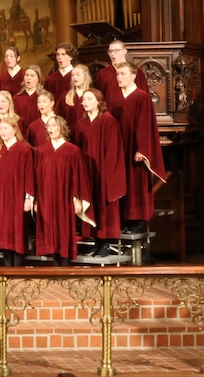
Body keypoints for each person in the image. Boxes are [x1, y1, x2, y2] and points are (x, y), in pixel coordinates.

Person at [111, 61, 166, 234]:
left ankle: (138, 219)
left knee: (136, 182)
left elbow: (145, 125)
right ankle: (125, 219)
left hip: (135, 147)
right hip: (120, 146)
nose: (119, 77)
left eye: (123, 74)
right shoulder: (115, 99)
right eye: (118, 74)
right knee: (122, 181)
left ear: (133, 76)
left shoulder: (142, 97)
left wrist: (142, 148)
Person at [34, 116, 93, 266]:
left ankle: (65, 265)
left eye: (54, 125)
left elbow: (78, 177)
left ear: (62, 128)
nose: (51, 128)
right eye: (48, 126)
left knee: (64, 228)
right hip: (46, 197)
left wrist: (77, 199)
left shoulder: (72, 151)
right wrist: (36, 200)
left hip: (65, 197)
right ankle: (55, 266)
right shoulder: (41, 150)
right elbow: (37, 177)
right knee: (50, 230)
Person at [74, 89, 126, 256]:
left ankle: (105, 243)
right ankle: (96, 242)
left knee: (104, 206)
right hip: (87, 171)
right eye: (84, 99)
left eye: (89, 99)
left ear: (99, 101)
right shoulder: (81, 124)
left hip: (103, 171)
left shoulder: (108, 120)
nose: (85, 102)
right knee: (91, 204)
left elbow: (113, 149)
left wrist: (108, 174)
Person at [0, 117, 35, 267]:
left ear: (14, 130)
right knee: (3, 230)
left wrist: (28, 198)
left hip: (17, 197)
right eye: (0, 129)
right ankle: (7, 265)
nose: (3, 132)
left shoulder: (24, 149)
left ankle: (17, 266)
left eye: (6, 128)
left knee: (17, 229)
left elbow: (29, 174)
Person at [94, 40, 148, 111]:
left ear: (124, 51)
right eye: (110, 51)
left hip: (132, 112)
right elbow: (100, 97)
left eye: (116, 51)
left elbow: (144, 98)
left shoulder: (136, 71)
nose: (113, 54)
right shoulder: (103, 74)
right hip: (111, 113)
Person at [45, 43, 77, 111]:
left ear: (71, 57)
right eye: (58, 54)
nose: (60, 57)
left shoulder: (77, 76)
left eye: (63, 54)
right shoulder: (50, 79)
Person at [62, 64, 93, 129]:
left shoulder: (93, 95)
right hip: (69, 132)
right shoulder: (65, 96)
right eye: (73, 75)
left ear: (85, 76)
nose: (75, 77)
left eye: (78, 75)